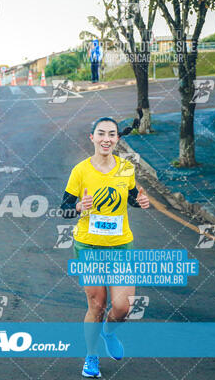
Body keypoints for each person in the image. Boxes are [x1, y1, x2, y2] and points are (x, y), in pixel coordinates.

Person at [60, 117, 149, 378]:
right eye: (101, 133)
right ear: (92, 137)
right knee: (97, 305)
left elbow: (132, 198)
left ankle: (109, 333)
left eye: (111, 134)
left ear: (117, 139)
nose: (106, 138)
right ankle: (91, 356)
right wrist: (78, 207)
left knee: (122, 307)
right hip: (88, 246)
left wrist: (141, 201)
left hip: (121, 246)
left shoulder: (126, 168)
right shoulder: (80, 171)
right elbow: (64, 209)